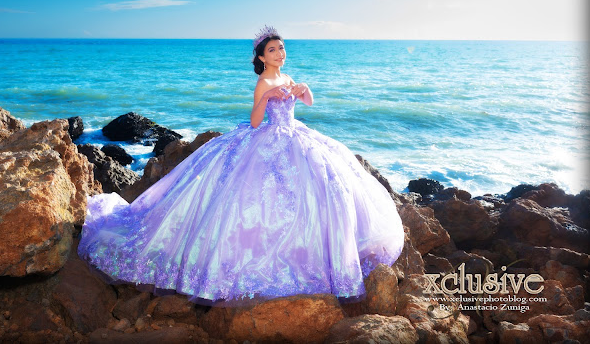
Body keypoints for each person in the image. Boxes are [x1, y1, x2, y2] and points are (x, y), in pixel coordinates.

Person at [78, 25, 405, 305]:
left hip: (296, 137)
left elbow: (307, 103)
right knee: (251, 200)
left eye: (282, 48)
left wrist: (303, 89)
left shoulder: (288, 76)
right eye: (274, 50)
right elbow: (254, 121)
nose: (280, 53)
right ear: (262, 57)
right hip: (268, 139)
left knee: (325, 186)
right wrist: (267, 97)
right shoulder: (263, 82)